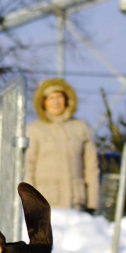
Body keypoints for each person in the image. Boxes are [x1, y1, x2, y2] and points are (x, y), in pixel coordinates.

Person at [24, 78, 99, 212]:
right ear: (43, 102)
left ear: (67, 99)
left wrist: (92, 202)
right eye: (51, 98)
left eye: (59, 97)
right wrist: (30, 203)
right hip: (46, 203)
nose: (55, 102)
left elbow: (91, 167)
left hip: (77, 203)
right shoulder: (34, 130)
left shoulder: (80, 127)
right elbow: (27, 167)